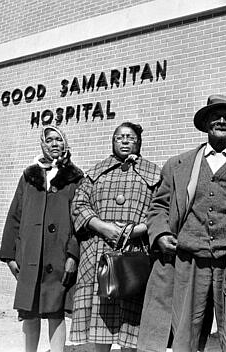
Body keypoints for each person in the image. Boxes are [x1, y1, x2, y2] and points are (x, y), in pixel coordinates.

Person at [138, 94, 226, 352]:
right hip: (189, 257)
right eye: (215, 116)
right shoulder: (177, 165)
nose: (222, 120)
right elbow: (158, 208)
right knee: (184, 336)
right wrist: (160, 235)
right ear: (205, 124)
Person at [69, 122, 161, 352]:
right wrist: (103, 227)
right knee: (99, 324)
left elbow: (163, 210)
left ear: (138, 142)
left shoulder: (154, 174)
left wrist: (136, 230)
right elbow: (78, 205)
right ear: (112, 141)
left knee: (131, 324)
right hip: (98, 252)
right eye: (119, 137)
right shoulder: (95, 173)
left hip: (134, 255)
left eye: (130, 137)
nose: (125, 141)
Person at [0, 126, 83, 352]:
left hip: (59, 256)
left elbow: (80, 220)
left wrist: (73, 255)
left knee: (56, 313)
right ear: (43, 143)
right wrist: (9, 256)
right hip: (30, 256)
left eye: (59, 139)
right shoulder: (30, 175)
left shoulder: (75, 177)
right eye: (50, 139)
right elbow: (15, 214)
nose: (54, 143)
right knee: (30, 312)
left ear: (65, 143)